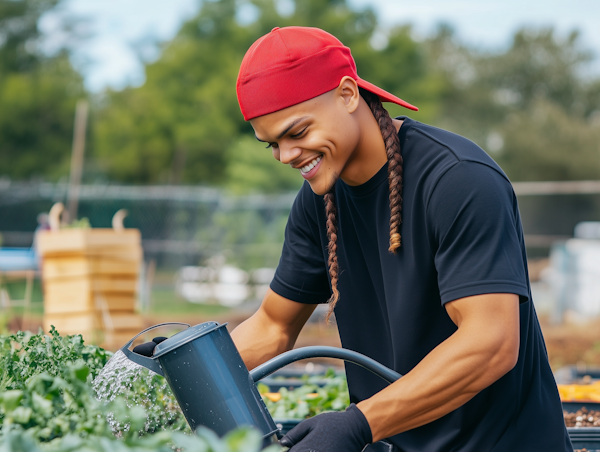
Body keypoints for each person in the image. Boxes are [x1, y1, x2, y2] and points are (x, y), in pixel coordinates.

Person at [230, 26, 572, 452]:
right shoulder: (319, 201)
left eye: (297, 133)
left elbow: (491, 343)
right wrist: (172, 372)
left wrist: (359, 423)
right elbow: (273, 325)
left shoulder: (458, 179)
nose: (286, 155)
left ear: (348, 94)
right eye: (272, 145)